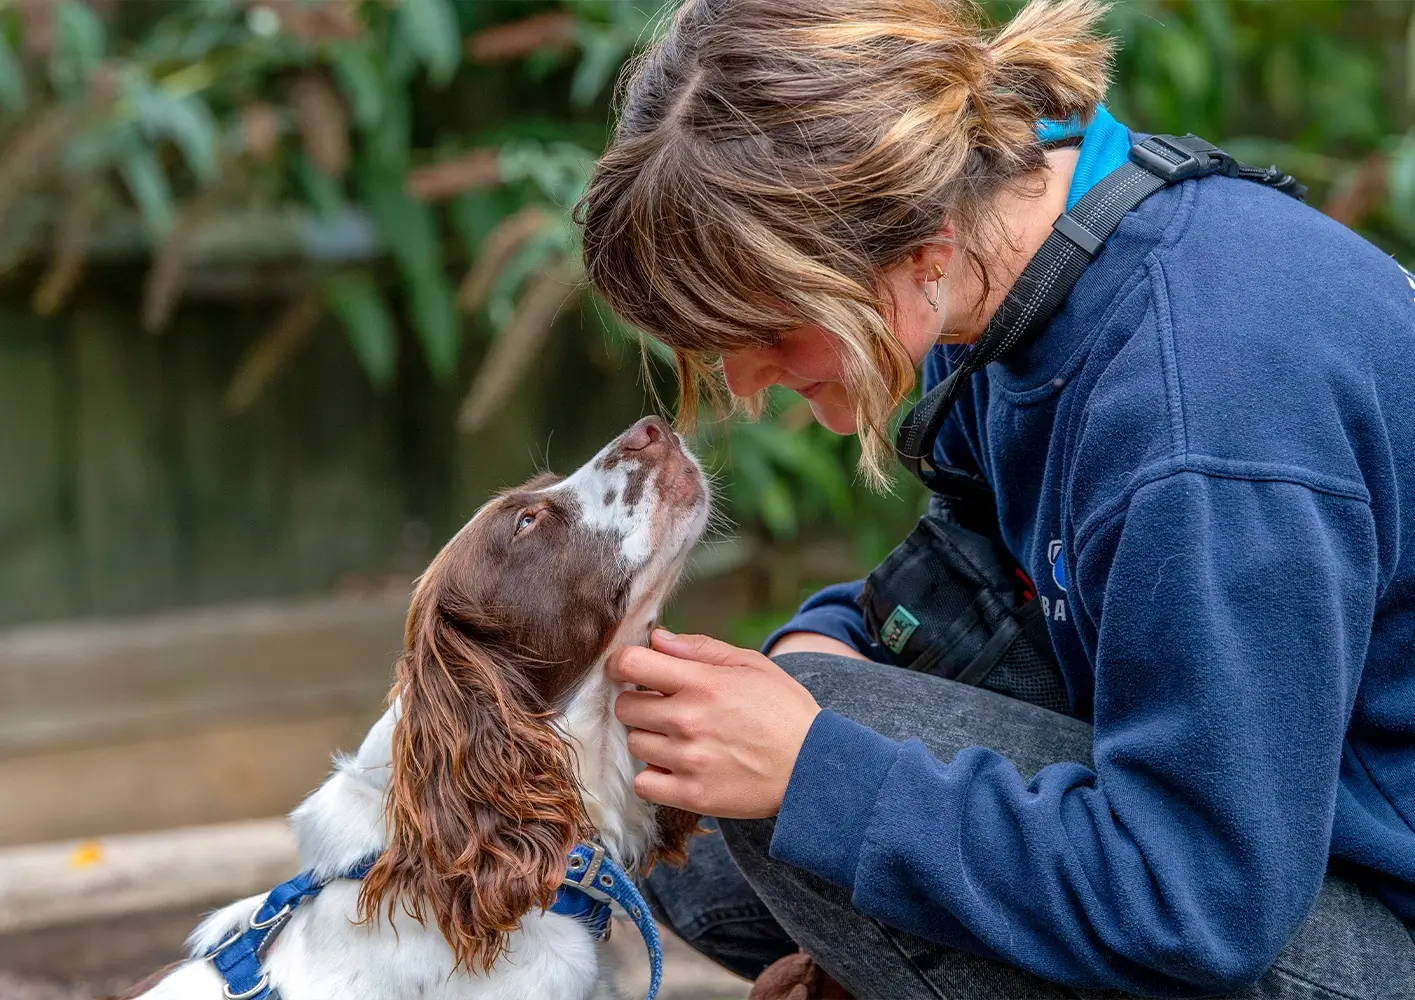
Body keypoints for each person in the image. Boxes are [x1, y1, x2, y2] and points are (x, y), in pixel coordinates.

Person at [575, 0, 1415, 996]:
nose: (747, 383)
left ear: (916, 249)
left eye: (766, 327)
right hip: (1278, 829)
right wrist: (835, 636)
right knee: (699, 830)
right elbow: (984, 584)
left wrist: (817, 770)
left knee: (795, 775)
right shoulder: (1025, 261)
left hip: (1333, 902)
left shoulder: (1198, 426)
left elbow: (1196, 901)